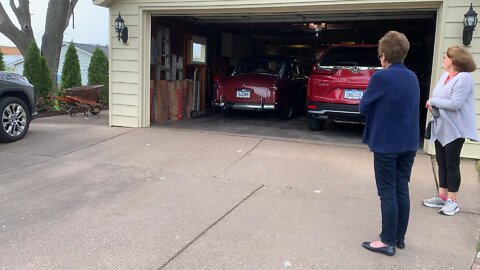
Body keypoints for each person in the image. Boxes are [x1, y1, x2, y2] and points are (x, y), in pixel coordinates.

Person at [359, 31, 420, 256]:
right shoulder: (412, 77)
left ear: (383, 55)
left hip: (387, 144)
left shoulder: (380, 77)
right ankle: (399, 238)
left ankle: (387, 241)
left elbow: (363, 107)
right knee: (401, 188)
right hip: (409, 143)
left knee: (387, 192)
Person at [422, 46, 478, 216]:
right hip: (441, 127)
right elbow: (440, 98)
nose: (443, 60)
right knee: (441, 162)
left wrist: (433, 101)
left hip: (456, 129)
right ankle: (442, 195)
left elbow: (456, 103)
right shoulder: (445, 76)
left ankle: (452, 201)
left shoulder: (464, 78)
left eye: (445, 57)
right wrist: (433, 104)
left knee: (452, 163)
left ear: (454, 60)